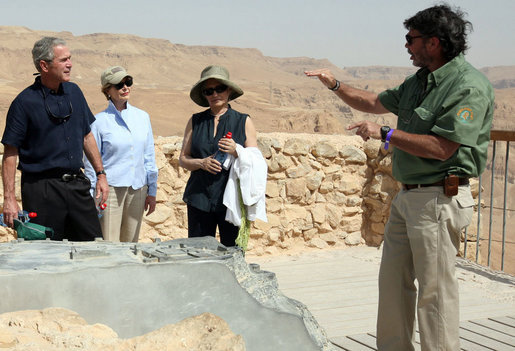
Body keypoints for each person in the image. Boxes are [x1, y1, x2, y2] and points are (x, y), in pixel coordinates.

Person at [305, 4, 494, 351]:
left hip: (439, 199)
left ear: (434, 43)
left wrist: (386, 135)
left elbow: (443, 147)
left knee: (436, 293)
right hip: (407, 197)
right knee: (393, 285)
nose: (406, 46)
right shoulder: (419, 81)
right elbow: (374, 101)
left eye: (411, 39)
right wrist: (334, 84)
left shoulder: (468, 86)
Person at [1, 37, 108, 241]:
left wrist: (101, 174)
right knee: (44, 255)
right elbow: (10, 152)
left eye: (70, 58)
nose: (70, 64)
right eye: (63, 60)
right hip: (42, 191)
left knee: (93, 248)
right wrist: (9, 199)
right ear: (44, 65)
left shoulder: (75, 92)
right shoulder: (24, 103)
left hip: (77, 185)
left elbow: (86, 135)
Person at [179, 65, 258, 247]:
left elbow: (255, 160)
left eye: (219, 89)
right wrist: (201, 163)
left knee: (232, 253)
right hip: (199, 198)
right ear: (204, 95)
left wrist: (237, 150)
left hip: (231, 200)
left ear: (229, 90)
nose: (215, 94)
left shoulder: (243, 121)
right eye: (209, 91)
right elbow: (183, 158)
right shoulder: (195, 121)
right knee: (198, 253)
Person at [83, 66, 158, 242]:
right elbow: (90, 162)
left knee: (132, 243)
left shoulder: (142, 117)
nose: (125, 88)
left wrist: (152, 191)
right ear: (107, 90)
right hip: (110, 190)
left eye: (128, 82)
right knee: (109, 242)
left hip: (138, 188)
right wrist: (93, 193)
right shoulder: (98, 121)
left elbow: (149, 156)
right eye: (119, 84)